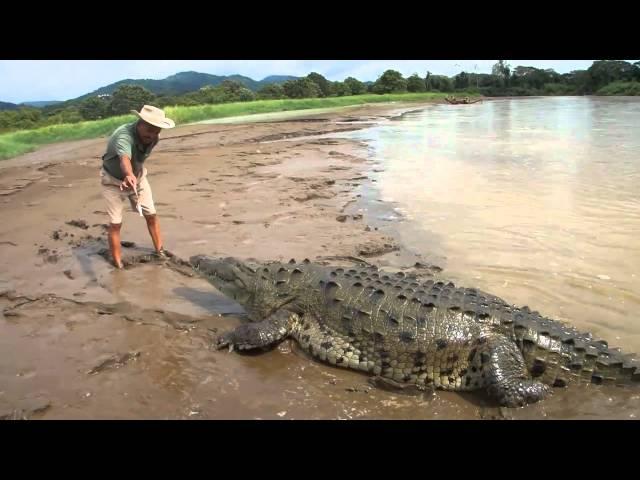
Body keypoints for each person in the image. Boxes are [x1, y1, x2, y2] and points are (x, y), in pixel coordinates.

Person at [99, 104, 175, 268]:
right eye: (149, 129)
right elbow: (124, 158)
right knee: (115, 223)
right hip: (113, 181)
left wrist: (134, 176)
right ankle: (118, 263)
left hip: (138, 178)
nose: (153, 134)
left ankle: (159, 251)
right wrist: (128, 174)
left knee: (152, 214)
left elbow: (138, 158)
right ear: (140, 123)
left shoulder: (154, 138)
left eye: (157, 130)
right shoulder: (124, 136)